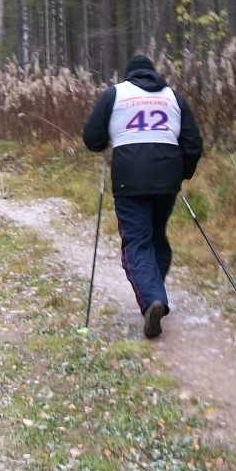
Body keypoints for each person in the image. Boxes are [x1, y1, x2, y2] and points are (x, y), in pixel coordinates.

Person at [82, 54, 203, 338]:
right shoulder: (173, 97)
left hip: (130, 180)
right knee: (156, 236)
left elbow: (91, 138)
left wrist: (108, 138)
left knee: (136, 242)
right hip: (167, 179)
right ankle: (154, 290)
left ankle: (151, 300)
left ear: (128, 75)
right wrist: (181, 174)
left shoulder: (115, 94)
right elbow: (193, 144)